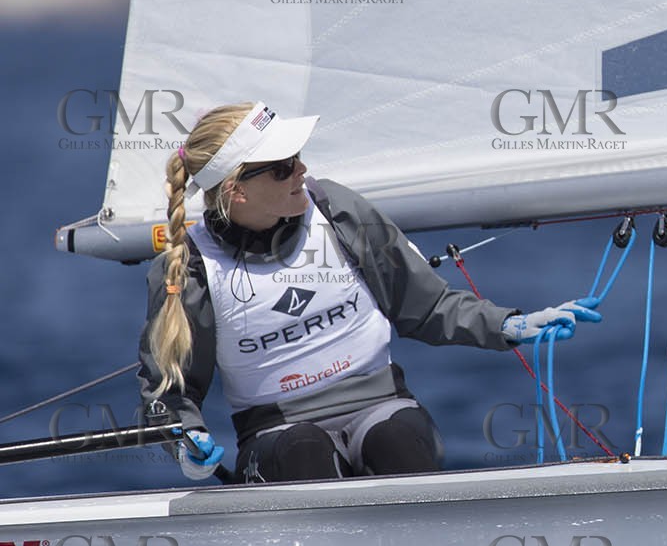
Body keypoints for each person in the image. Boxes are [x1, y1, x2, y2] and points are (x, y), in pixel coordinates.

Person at [138, 102, 601, 483]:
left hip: (382, 407)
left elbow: (427, 306)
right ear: (237, 191)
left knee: (396, 441)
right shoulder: (189, 268)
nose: (301, 170)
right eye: (282, 168)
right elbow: (169, 391)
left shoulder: (337, 211)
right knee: (305, 451)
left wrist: (507, 324)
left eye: (298, 156)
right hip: (277, 432)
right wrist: (185, 439)